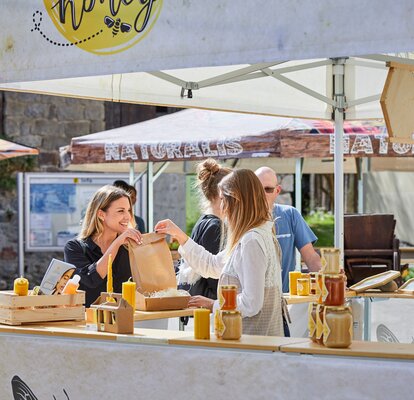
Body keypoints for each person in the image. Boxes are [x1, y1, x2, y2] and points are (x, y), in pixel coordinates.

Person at [155, 169, 284, 336]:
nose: (221, 207)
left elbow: (251, 302)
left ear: (237, 201)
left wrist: (213, 304)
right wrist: (180, 236)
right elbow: (213, 265)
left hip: (251, 342)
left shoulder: (252, 240)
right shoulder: (252, 235)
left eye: (223, 199)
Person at [64, 185, 142, 307]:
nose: (128, 216)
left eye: (129, 210)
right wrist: (117, 243)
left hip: (125, 319)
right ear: (101, 214)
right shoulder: (74, 247)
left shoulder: (130, 247)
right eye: (121, 211)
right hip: (88, 322)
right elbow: (91, 279)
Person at [255, 167, 322, 293]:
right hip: (252, 302)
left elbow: (311, 257)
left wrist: (327, 279)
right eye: (257, 189)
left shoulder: (290, 214)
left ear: (277, 190)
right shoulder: (243, 219)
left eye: (268, 189)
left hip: (285, 301)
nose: (261, 194)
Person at [179, 158, 232, 300]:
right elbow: (215, 277)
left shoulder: (204, 221)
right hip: (208, 308)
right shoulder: (215, 227)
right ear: (223, 195)